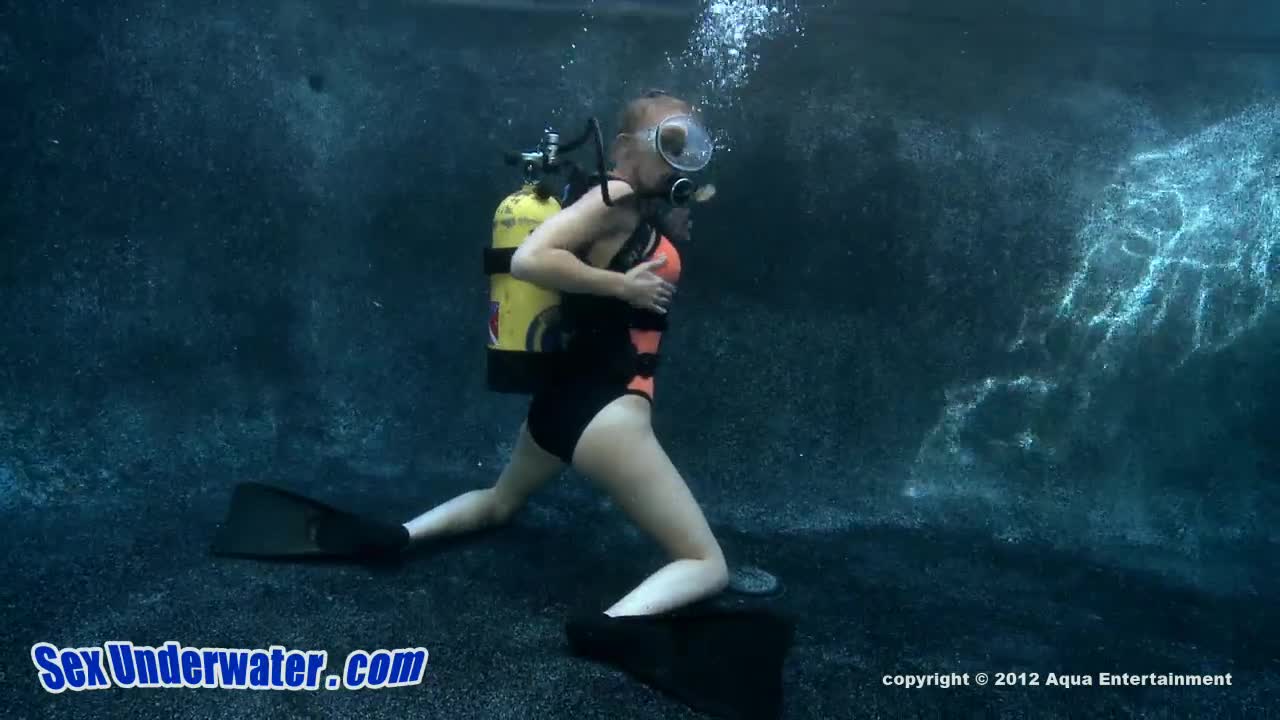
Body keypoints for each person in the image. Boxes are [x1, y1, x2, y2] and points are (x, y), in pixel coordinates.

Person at [401, 91, 728, 618]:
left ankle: (395, 537)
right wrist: (623, 287)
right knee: (706, 564)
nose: (679, 160)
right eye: (669, 143)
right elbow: (529, 260)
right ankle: (607, 627)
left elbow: (607, 252)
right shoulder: (615, 196)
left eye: (688, 147)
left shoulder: (624, 205)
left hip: (559, 405)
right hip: (609, 409)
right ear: (624, 147)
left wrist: (661, 233)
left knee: (500, 502)